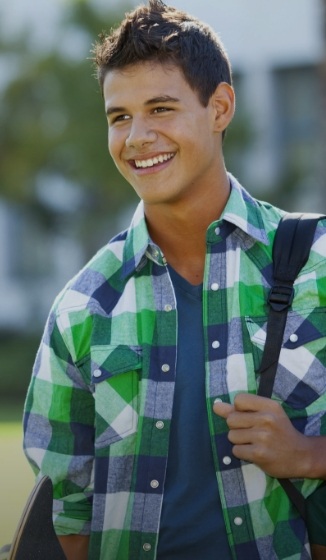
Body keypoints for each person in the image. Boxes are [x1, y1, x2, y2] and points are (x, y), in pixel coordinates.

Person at [22, 1, 326, 559]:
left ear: (220, 107)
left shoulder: (318, 265)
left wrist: (310, 454)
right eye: (119, 117)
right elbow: (66, 515)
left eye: (161, 108)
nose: (137, 136)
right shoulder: (82, 307)